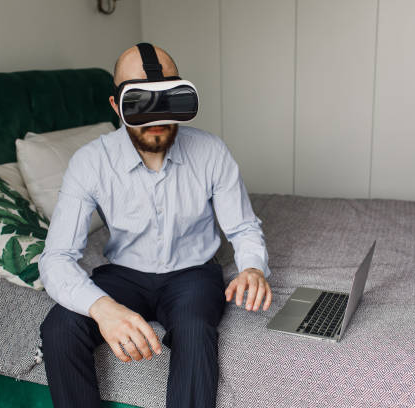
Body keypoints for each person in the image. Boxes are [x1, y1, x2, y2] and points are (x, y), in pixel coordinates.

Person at [38, 43, 273, 408]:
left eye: (166, 98)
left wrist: (253, 268)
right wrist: (102, 308)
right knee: (58, 329)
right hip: (123, 274)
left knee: (195, 331)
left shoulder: (210, 152)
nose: (157, 116)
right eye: (141, 102)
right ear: (117, 106)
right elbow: (55, 259)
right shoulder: (90, 162)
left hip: (192, 274)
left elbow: (242, 228)